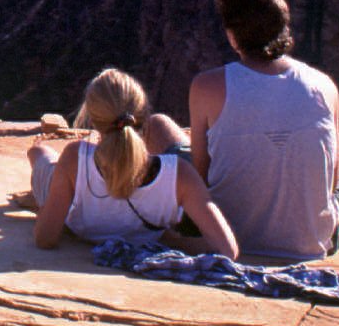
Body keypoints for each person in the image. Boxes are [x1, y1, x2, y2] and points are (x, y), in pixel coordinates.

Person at [186, 0, 339, 261]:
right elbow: (329, 181)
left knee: (163, 132)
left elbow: (200, 176)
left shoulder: (206, 86)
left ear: (232, 34)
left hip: (225, 235)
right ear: (282, 25)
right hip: (310, 243)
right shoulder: (324, 86)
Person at [29, 68, 239, 258]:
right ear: (142, 115)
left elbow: (45, 238)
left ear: (93, 121)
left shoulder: (75, 158)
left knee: (39, 152)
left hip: (70, 181)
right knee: (161, 123)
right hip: (157, 213)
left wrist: (52, 208)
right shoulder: (180, 175)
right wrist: (173, 241)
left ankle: (38, 187)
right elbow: (227, 250)